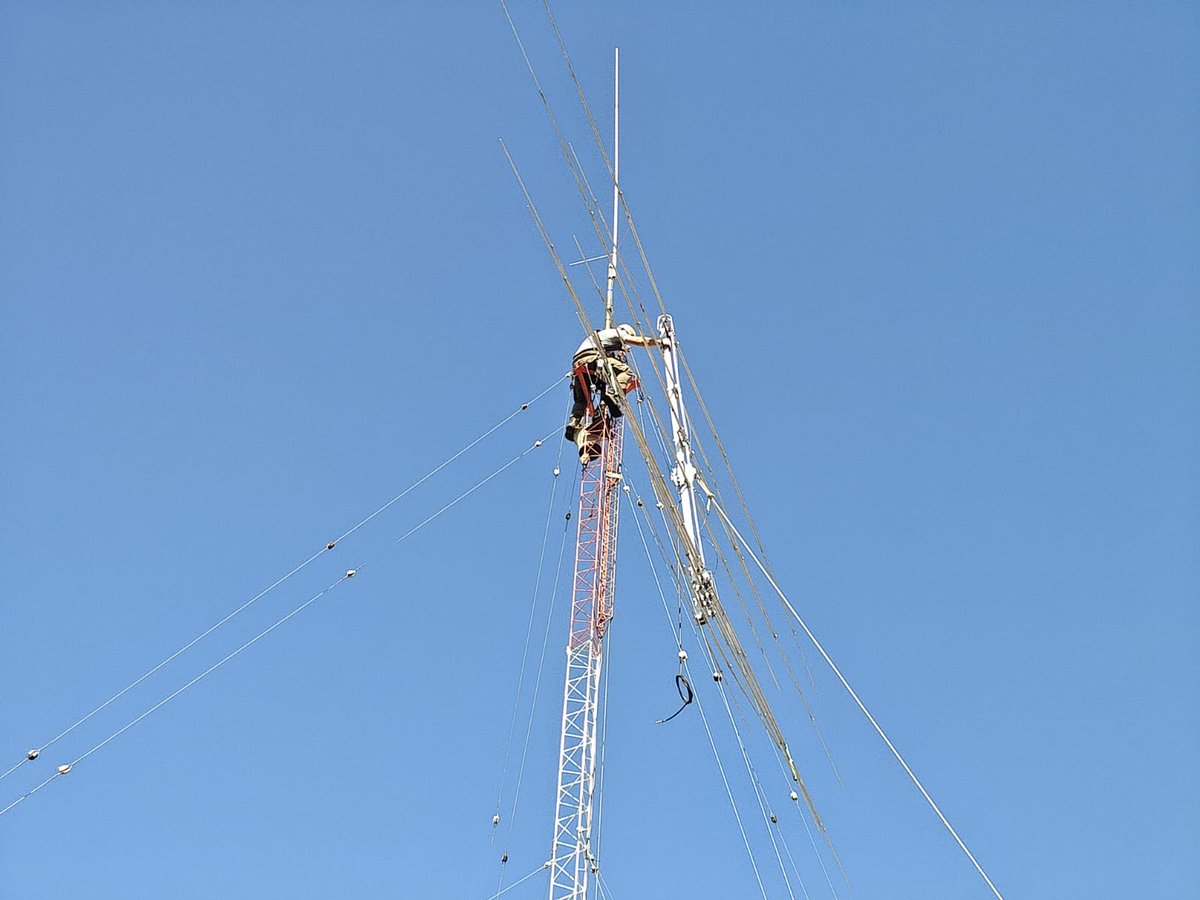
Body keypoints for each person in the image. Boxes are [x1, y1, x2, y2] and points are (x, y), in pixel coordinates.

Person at [565, 323, 658, 462]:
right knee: (626, 372)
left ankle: (573, 422)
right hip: (593, 358)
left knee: (582, 399)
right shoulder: (617, 332)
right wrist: (659, 342)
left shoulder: (598, 336)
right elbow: (639, 341)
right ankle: (613, 396)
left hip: (578, 363)